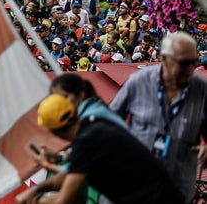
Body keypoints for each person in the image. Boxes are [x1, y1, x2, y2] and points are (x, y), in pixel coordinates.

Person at [16, 94, 183, 204]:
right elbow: (70, 173)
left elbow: (64, 197)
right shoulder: (92, 126)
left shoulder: (89, 138)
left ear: (54, 130)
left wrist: (34, 199)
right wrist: (37, 189)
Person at [110, 31, 207, 202]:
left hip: (176, 189)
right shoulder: (138, 82)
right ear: (164, 59)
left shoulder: (202, 90)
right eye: (184, 63)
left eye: (194, 62)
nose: (191, 69)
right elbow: (110, 121)